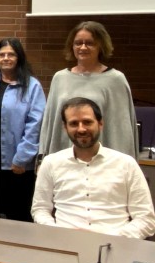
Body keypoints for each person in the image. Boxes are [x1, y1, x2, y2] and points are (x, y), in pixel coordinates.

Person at [32, 97, 155, 239]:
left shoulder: (126, 164)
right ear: (65, 127)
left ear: (100, 123)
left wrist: (116, 238)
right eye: (73, 123)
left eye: (87, 122)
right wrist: (57, 234)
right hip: (65, 244)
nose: (81, 129)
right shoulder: (51, 163)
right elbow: (40, 209)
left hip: (117, 245)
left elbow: (146, 218)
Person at [39, 21, 137, 159]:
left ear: (100, 46)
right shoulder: (59, 78)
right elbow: (48, 124)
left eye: (89, 43)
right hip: (64, 161)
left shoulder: (115, 80)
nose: (83, 47)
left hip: (102, 164)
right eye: (78, 43)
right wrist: (42, 156)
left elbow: (122, 131)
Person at [0, 38, 45, 221]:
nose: (6, 58)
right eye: (1, 54)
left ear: (19, 57)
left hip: (16, 163)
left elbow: (35, 123)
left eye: (10, 54)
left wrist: (22, 158)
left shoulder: (32, 85)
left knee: (15, 213)